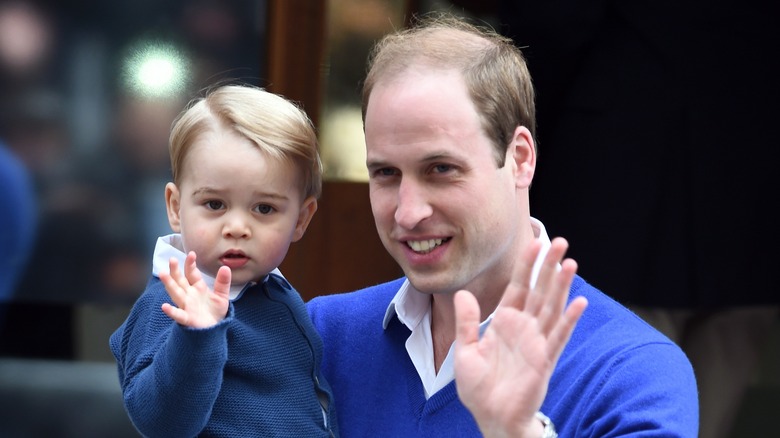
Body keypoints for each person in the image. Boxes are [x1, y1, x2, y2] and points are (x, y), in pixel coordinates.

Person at [306, 13, 699, 436]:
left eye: (440, 168)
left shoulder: (634, 368)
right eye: (386, 173)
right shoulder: (322, 334)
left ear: (521, 159)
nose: (407, 212)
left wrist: (516, 430)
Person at [109, 84, 338, 437]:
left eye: (264, 208)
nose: (236, 227)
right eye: (215, 204)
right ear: (175, 207)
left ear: (302, 219)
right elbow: (162, 423)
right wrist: (196, 336)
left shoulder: (274, 292)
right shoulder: (172, 303)